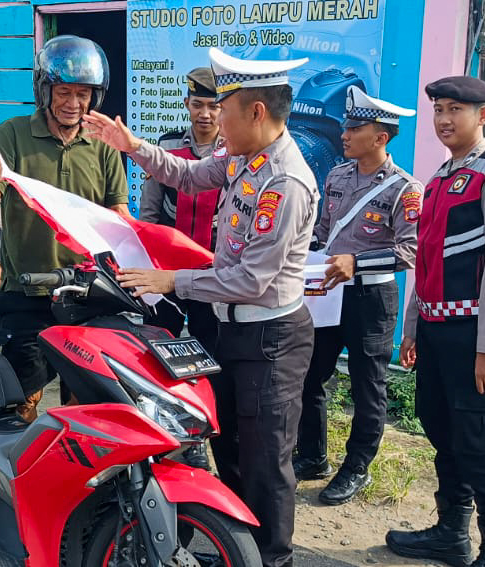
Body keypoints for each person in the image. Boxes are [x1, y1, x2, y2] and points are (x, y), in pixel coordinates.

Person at [84, 47, 318, 567]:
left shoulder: (285, 181)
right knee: (230, 445)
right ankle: (240, 549)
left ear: (255, 112)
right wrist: (133, 145)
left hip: (271, 339)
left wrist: (172, 279)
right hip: (233, 332)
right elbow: (187, 175)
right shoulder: (244, 156)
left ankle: (271, 558)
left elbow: (251, 279)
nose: (215, 120)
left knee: (266, 461)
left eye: (224, 108)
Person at [385, 76, 485, 567]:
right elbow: (426, 261)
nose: (445, 120)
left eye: (456, 110)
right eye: (439, 110)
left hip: (477, 335)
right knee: (443, 432)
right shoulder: (443, 176)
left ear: (483, 116)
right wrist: (413, 328)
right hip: (437, 330)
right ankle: (451, 532)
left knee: (481, 444)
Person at [0, 35, 129, 422]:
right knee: (23, 399)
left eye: (83, 94)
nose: (74, 104)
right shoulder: (12, 134)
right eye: (64, 92)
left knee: (86, 402)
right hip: (27, 290)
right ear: (45, 90)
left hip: (87, 292)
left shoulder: (101, 143)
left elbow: (118, 213)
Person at [295, 85, 420, 505]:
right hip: (330, 294)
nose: (344, 134)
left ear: (380, 137)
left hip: (371, 300)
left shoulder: (406, 189)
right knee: (312, 376)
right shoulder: (337, 175)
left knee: (369, 386)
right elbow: (325, 229)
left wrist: (357, 262)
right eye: (345, 126)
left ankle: (357, 468)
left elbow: (410, 249)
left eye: (354, 127)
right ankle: (313, 456)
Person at [136, 66, 224, 471]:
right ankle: (159, 428)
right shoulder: (168, 145)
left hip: (213, 276)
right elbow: (151, 209)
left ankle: (203, 437)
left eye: (212, 106)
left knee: (208, 357)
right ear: (187, 105)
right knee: (160, 350)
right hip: (167, 274)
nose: (204, 114)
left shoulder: (233, 152)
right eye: (198, 104)